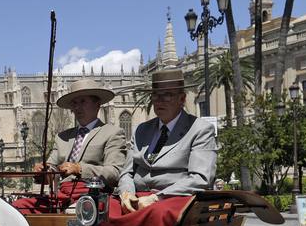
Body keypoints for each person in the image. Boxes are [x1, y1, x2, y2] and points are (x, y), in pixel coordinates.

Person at [117, 68, 217, 212]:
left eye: (167, 95)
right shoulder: (141, 130)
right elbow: (127, 172)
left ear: (182, 99)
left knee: (156, 215)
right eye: (155, 95)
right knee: (103, 212)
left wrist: (156, 198)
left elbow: (200, 178)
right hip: (137, 198)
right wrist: (127, 194)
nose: (159, 101)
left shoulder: (200, 130)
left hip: (173, 199)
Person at [33, 77, 128, 189]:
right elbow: (52, 170)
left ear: (97, 104)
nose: (77, 107)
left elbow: (114, 172)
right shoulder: (62, 137)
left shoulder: (112, 133)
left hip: (92, 193)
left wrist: (80, 169)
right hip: (62, 193)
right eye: (74, 103)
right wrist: (42, 171)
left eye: (83, 101)